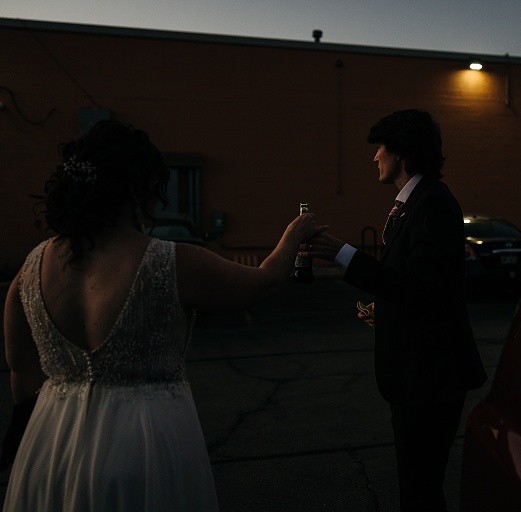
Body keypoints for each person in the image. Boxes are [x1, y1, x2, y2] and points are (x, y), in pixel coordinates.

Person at [1, 120, 324, 511]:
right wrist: (295, 233)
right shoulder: (169, 261)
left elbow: (22, 375)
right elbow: (263, 283)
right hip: (144, 445)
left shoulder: (31, 268)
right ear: (141, 188)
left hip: (49, 446)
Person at [305, 109, 487, 511]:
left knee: (420, 491)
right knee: (416, 487)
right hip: (417, 374)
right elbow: (416, 289)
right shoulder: (414, 203)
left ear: (402, 152)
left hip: (431, 377)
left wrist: (342, 253)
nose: (375, 157)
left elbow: (420, 288)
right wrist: (383, 310)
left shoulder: (433, 203)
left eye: (380, 147)